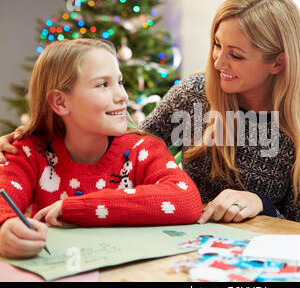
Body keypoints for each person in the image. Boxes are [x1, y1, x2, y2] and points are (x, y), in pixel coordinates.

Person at [0, 0, 300, 228]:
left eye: (237, 54)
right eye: (217, 44)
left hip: (257, 261)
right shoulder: (194, 95)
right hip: (183, 246)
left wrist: (262, 205)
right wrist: (36, 135)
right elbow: (126, 143)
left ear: (278, 63)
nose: (218, 61)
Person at [0, 39, 202, 259]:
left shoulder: (141, 149)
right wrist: (5, 229)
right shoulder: (27, 152)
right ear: (60, 102)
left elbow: (187, 200)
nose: (122, 96)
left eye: (119, 82)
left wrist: (78, 207)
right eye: (103, 84)